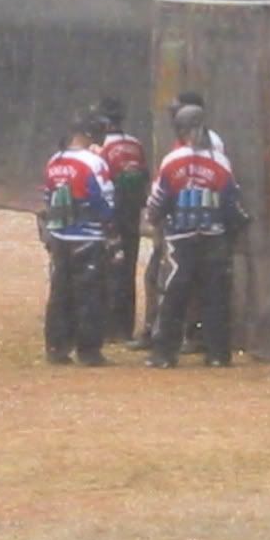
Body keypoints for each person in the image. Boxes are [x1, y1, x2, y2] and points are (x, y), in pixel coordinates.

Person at [144, 105, 249, 368]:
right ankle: (217, 354)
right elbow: (231, 201)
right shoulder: (220, 161)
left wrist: (154, 219)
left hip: (180, 239)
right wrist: (235, 226)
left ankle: (164, 354)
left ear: (179, 130)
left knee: (174, 295)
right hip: (214, 237)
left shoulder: (172, 160)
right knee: (215, 295)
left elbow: (158, 199)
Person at [129, 91, 227, 351]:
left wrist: (155, 213)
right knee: (162, 277)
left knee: (181, 283)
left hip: (192, 224)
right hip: (181, 221)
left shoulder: (210, 146)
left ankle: (185, 337)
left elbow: (207, 184)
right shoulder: (186, 147)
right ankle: (159, 332)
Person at [39, 109, 116, 367]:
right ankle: (88, 350)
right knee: (90, 294)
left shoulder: (55, 161)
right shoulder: (94, 163)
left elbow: (48, 197)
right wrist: (110, 227)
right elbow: (103, 200)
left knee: (60, 291)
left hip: (60, 236)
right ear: (87, 133)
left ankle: (56, 347)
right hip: (88, 237)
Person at [95, 96, 149, 342]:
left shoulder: (101, 149)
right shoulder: (135, 144)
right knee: (128, 269)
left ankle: (109, 327)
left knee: (108, 268)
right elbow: (144, 175)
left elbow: (102, 184)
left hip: (112, 216)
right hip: (132, 215)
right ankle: (125, 327)